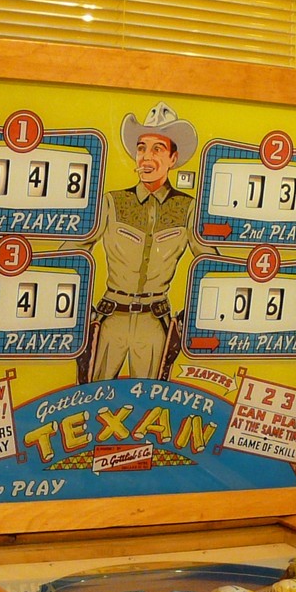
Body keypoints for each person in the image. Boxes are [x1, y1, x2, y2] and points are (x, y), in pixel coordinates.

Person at [83, 106, 201, 384]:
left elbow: (209, 266)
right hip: (111, 318)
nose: (147, 157)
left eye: (158, 149)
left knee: (149, 400)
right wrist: (80, 311)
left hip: (154, 323)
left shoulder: (187, 207)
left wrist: (191, 317)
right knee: (90, 398)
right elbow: (73, 254)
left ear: (173, 158)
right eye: (141, 148)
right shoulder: (112, 201)